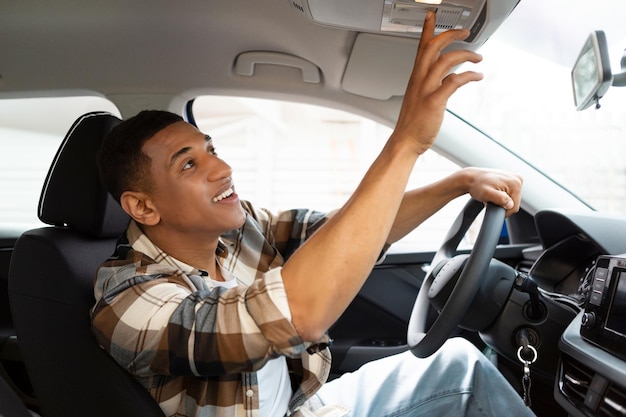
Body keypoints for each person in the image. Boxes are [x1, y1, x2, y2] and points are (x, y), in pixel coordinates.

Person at [91, 11, 533, 417]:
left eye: (211, 150)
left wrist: (457, 184)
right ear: (142, 206)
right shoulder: (128, 302)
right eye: (188, 164)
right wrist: (406, 143)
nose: (222, 168)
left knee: (458, 364)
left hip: (302, 407)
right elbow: (297, 314)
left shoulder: (237, 229)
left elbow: (344, 234)